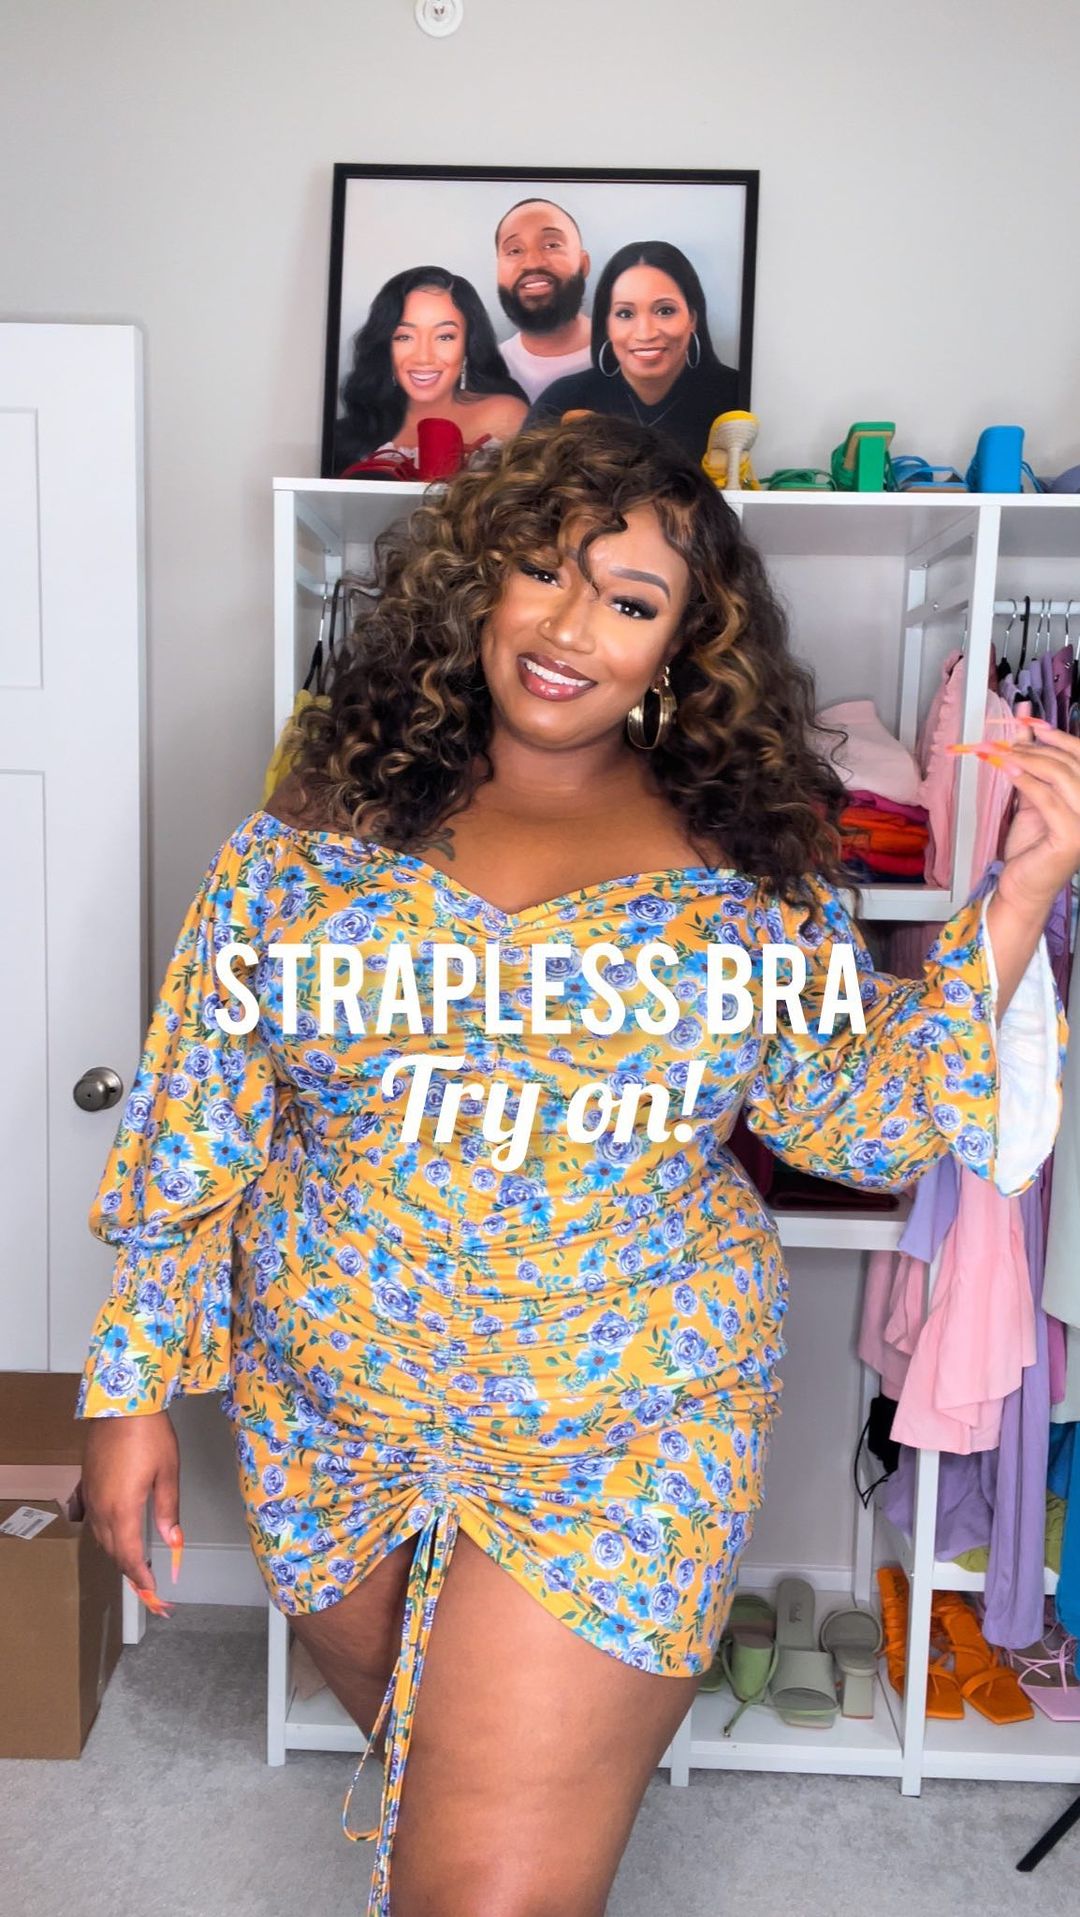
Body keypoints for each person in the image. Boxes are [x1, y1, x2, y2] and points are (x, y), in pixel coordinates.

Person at [77, 416, 1076, 1917]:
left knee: (487, 1888)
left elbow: (854, 1126)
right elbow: (193, 1116)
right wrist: (130, 1391)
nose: (569, 627)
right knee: (436, 1811)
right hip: (330, 1415)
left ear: (681, 641)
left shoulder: (750, 865)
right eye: (543, 570)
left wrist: (1020, 899)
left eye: (629, 599)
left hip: (627, 1421)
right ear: (479, 581)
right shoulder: (308, 837)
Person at [527, 239, 740, 462]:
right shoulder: (563, 401)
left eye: (665, 311)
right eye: (625, 314)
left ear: (692, 319)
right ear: (606, 325)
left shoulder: (736, 396)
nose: (645, 333)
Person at [334, 264, 527, 476]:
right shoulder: (352, 432)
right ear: (385, 347)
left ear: (468, 345)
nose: (424, 357)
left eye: (444, 337)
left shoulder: (504, 416)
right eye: (404, 337)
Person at [494, 197, 593, 402]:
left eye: (551, 245)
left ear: (583, 265)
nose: (532, 263)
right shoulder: (487, 373)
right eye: (514, 250)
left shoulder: (628, 357)